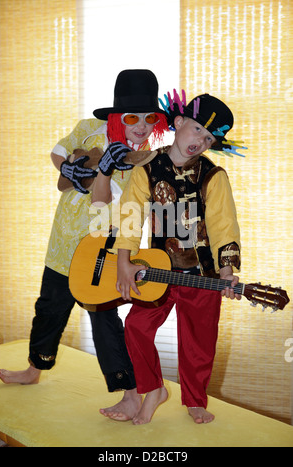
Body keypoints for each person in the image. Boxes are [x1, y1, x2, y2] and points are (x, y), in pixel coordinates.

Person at [0, 69, 169, 420]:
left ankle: (131, 393)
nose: (142, 126)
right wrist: (71, 168)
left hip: (100, 251)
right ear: (117, 116)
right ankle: (35, 368)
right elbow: (58, 155)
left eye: (150, 118)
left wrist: (102, 172)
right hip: (62, 244)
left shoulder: (143, 163)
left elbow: (102, 205)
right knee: (49, 309)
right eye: (133, 117)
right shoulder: (88, 129)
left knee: (103, 320)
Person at [114, 91, 245, 424]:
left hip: (204, 276)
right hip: (158, 272)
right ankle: (153, 388)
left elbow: (223, 226)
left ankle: (195, 400)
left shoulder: (213, 177)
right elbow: (130, 217)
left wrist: (227, 271)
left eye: (209, 138)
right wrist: (123, 264)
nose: (201, 140)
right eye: (198, 129)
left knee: (198, 341)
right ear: (179, 122)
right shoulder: (147, 168)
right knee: (135, 326)